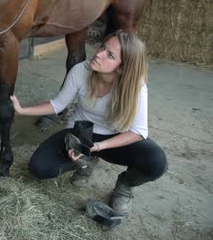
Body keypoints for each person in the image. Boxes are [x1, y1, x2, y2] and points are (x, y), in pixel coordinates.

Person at [10, 30, 167, 215]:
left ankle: (124, 185)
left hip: (114, 138)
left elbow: (139, 132)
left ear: (122, 67)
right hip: (81, 133)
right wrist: (22, 110)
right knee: (39, 167)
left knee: (156, 162)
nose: (98, 54)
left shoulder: (136, 85)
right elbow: (58, 104)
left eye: (110, 55)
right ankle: (86, 162)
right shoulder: (80, 70)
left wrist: (99, 147)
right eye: (102, 47)